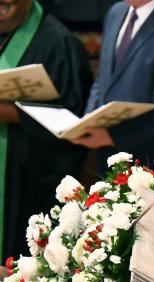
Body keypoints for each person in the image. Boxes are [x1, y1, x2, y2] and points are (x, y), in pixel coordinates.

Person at [0, 0, 92, 260]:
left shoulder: (59, 43)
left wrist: (12, 113)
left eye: (6, 6)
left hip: (25, 174)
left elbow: (73, 120)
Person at [71, 0, 154, 171]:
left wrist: (112, 137)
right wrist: (89, 118)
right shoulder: (116, 12)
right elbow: (103, 78)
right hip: (108, 155)